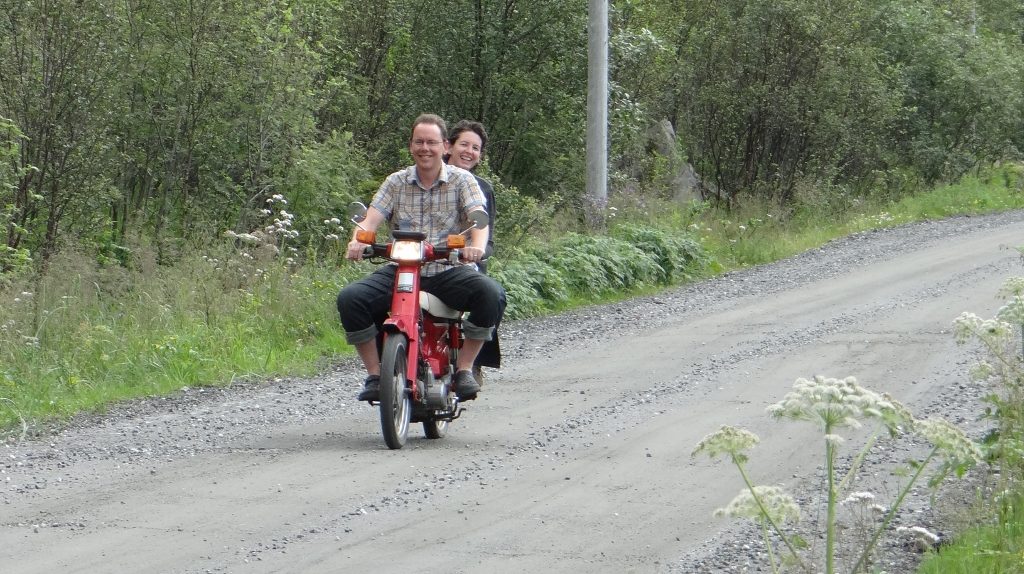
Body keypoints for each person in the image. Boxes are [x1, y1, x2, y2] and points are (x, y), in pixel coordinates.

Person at [337, 114, 505, 403]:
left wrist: (474, 248)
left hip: (447, 268)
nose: (424, 148)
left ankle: (465, 369)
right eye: (419, 142)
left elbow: (479, 221)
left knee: (492, 294)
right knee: (351, 298)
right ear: (411, 145)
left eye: (431, 142)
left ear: (444, 146)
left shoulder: (463, 181)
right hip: (401, 268)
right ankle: (376, 375)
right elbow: (371, 220)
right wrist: (357, 240)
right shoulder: (396, 182)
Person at [445, 120, 503, 381]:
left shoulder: (483, 188)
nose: (469, 151)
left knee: (491, 296)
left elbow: (486, 231)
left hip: (467, 258)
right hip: (428, 256)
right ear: (449, 146)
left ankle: (473, 361)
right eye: (464, 144)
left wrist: (478, 251)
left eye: (475, 148)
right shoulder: (423, 178)